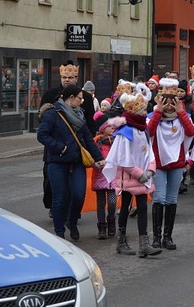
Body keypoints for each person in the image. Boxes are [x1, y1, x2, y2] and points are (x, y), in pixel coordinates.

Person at [36, 85, 105, 240]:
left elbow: (87, 139)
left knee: (79, 195)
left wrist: (99, 158)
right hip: (57, 162)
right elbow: (42, 135)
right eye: (80, 98)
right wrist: (61, 148)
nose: (82, 101)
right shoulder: (53, 114)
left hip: (76, 162)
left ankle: (72, 222)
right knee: (60, 198)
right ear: (71, 97)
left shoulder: (80, 115)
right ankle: (59, 232)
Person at [102, 93, 161, 258]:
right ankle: (121, 242)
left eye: (144, 110)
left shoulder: (143, 130)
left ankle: (144, 244)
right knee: (126, 207)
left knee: (142, 207)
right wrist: (140, 174)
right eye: (141, 111)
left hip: (142, 176)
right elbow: (123, 158)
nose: (144, 113)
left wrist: (150, 169)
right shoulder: (126, 132)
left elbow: (149, 152)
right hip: (129, 177)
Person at [147, 78, 194, 250]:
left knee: (171, 199)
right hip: (159, 164)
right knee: (159, 198)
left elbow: (191, 132)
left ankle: (167, 236)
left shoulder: (184, 118)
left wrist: (181, 112)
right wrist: (158, 112)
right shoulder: (152, 117)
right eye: (165, 102)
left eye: (172, 102)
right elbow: (149, 132)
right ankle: (156, 237)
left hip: (176, 164)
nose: (169, 106)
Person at [92, 116, 125, 239]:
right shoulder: (97, 142)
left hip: (112, 176)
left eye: (113, 126)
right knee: (100, 203)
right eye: (109, 126)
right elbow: (92, 156)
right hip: (100, 175)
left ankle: (111, 220)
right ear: (103, 128)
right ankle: (101, 226)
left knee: (112, 202)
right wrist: (96, 163)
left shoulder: (117, 140)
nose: (112, 128)